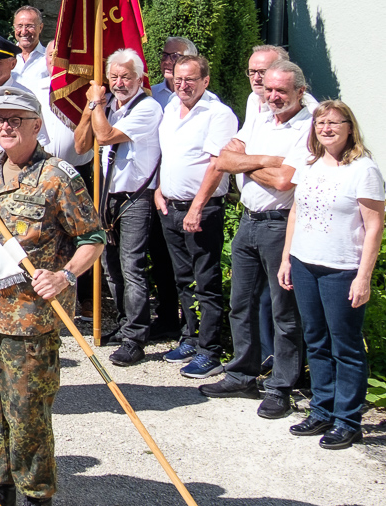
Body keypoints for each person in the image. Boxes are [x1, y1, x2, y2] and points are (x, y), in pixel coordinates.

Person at [0, 84, 104, 506]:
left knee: (27, 418)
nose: (6, 126)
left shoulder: (58, 176)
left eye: (16, 119)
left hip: (30, 322)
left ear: (38, 126)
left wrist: (64, 276)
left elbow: (93, 237)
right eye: (0, 119)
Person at [199, 61, 314, 418]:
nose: (273, 95)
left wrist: (244, 161)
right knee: (241, 303)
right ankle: (242, 374)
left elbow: (285, 183)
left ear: (300, 91)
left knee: (284, 311)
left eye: (281, 90)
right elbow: (223, 158)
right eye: (269, 89)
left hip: (282, 225)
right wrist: (266, 160)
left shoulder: (307, 126)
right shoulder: (261, 117)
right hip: (249, 221)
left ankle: (281, 386)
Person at [278, 100, 382, 449]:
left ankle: (348, 419)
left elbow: (374, 226)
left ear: (349, 127)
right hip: (305, 263)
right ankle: (322, 409)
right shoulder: (309, 165)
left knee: (346, 346)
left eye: (334, 123)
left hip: (342, 269)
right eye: (321, 123)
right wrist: (286, 259)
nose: (326, 129)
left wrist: (363, 276)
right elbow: (295, 213)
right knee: (316, 340)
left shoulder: (363, 170)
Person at [73, 49, 164, 367]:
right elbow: (82, 144)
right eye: (113, 77)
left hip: (135, 197)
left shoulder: (148, 107)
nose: (119, 82)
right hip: (107, 195)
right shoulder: (107, 105)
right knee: (110, 265)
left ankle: (136, 336)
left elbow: (106, 135)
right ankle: (125, 324)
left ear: (139, 78)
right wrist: (89, 107)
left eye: (126, 76)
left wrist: (97, 104)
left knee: (132, 266)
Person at [153, 53, 240, 380]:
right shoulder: (170, 110)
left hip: (200, 211)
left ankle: (210, 351)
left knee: (206, 281)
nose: (183, 84)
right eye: (178, 78)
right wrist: (160, 188)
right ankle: (190, 338)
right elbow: (170, 155)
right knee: (183, 279)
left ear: (205, 80)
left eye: (191, 79)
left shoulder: (218, 114)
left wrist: (197, 207)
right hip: (171, 207)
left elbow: (216, 165)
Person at [10, 6, 51, 93]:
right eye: (19, 26)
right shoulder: (5, 58)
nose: (24, 31)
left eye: (29, 26)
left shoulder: (49, 60)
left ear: (40, 28)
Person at [150, 37, 198, 107]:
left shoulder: (202, 99)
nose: (167, 62)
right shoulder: (151, 94)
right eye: (164, 56)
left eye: (175, 57)